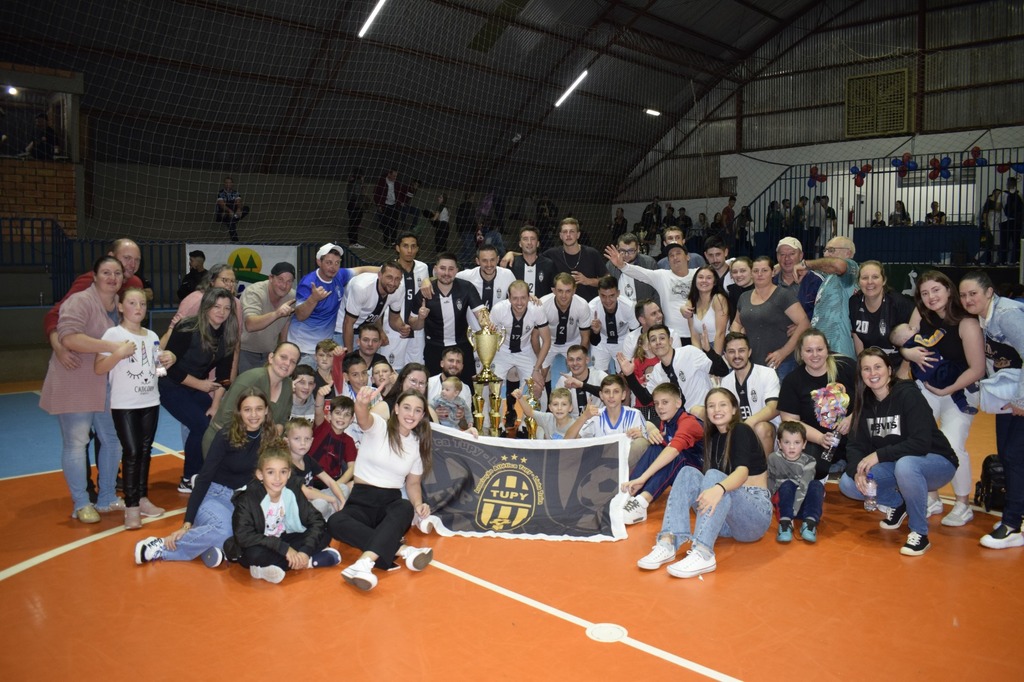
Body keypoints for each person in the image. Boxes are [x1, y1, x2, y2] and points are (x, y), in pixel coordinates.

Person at [636, 388, 771, 578]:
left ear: (734, 409)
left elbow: (742, 473)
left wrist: (719, 487)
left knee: (714, 476)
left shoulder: (741, 430)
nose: (717, 409)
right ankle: (669, 540)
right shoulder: (713, 438)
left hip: (754, 519)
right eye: (711, 405)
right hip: (725, 522)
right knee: (688, 472)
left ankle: (703, 552)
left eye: (722, 404)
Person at [134, 389, 277, 567]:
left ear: (266, 411)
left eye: (258, 409)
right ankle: (161, 547)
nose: (254, 415)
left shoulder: (270, 437)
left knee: (257, 532)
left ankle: (208, 548)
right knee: (225, 530)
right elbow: (204, 478)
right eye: (247, 409)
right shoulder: (226, 436)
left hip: (245, 501)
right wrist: (187, 523)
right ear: (239, 412)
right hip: (216, 496)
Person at [839, 348, 958, 556]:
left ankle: (919, 533)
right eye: (866, 369)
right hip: (899, 464)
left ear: (889, 369)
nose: (872, 373)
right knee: (849, 484)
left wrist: (877, 455)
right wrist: (857, 471)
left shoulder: (907, 393)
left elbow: (920, 443)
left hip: (936, 462)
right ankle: (899, 503)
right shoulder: (864, 402)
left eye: (878, 367)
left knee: (906, 465)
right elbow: (855, 445)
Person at [40, 256, 128, 523]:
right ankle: (80, 503)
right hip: (75, 381)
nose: (112, 278)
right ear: (95, 276)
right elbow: (69, 337)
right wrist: (114, 348)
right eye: (106, 272)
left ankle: (107, 497)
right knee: (77, 443)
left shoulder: (120, 306)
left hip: (105, 383)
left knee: (112, 440)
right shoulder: (79, 301)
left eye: (117, 273)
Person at [328, 386, 435, 591]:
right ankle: (404, 551)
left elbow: (412, 483)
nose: (411, 414)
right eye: (406, 407)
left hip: (390, 502)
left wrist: (419, 504)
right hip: (361, 499)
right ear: (396, 409)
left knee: (405, 507)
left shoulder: (416, 445)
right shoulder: (379, 426)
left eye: (417, 410)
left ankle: (364, 563)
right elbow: (363, 418)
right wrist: (361, 402)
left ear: (422, 416)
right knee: (335, 522)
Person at [900, 271, 985, 526]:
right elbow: (904, 343)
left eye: (936, 290)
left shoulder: (966, 323)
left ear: (949, 291)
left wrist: (947, 390)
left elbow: (977, 369)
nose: (930, 297)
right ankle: (932, 497)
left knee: (952, 443)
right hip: (928, 387)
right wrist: (910, 353)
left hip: (960, 390)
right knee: (918, 438)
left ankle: (962, 503)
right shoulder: (921, 315)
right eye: (925, 293)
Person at [95, 288, 175, 529]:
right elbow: (99, 368)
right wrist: (119, 352)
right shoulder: (113, 333)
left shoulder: (151, 335)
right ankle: (131, 507)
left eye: (142, 303)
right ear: (120, 307)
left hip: (150, 401)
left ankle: (141, 498)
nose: (138, 307)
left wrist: (167, 358)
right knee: (131, 452)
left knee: (144, 450)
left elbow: (157, 367)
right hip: (124, 404)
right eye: (132, 303)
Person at [959, 270, 1024, 549]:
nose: (967, 299)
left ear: (989, 292)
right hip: (1007, 396)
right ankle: (1013, 517)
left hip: (1018, 397)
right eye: (963, 295)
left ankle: (1012, 525)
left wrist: (1022, 400)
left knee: (1014, 457)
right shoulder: (983, 318)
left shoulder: (1007, 314)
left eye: (973, 293)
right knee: (1009, 456)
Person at [160, 287, 240, 493]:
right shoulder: (187, 327)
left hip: (196, 385)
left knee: (216, 422)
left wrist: (215, 405)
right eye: (216, 307)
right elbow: (170, 368)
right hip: (171, 384)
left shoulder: (228, 333)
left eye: (226, 308)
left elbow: (223, 376)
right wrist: (201, 385)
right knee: (200, 425)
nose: (221, 312)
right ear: (206, 307)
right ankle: (189, 478)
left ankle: (212, 470)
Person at [228, 444, 340, 584]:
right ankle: (308, 562)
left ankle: (273, 566)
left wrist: (304, 551)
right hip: (261, 543)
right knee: (252, 554)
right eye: (270, 472)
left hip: (285, 537)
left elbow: (317, 521)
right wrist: (285, 549)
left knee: (325, 533)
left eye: (283, 472)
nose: (277, 478)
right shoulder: (248, 498)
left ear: (289, 474)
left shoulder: (292, 490)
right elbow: (244, 536)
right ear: (260, 475)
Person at [777, 328, 857, 481]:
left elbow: (870, 395)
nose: (815, 355)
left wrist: (853, 417)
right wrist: (820, 438)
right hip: (819, 439)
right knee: (813, 469)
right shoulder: (793, 380)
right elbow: (789, 420)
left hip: (854, 435)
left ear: (828, 349)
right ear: (800, 353)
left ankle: (845, 463)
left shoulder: (846, 366)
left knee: (862, 468)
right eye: (809, 350)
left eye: (819, 349)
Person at [620, 382, 704, 525]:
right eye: (657, 403)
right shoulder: (666, 422)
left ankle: (642, 501)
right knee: (655, 447)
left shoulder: (688, 422)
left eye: (665, 402)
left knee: (674, 455)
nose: (660, 407)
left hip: (700, 480)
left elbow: (673, 450)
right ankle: (628, 495)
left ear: (678, 403)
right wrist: (647, 434)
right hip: (681, 473)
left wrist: (643, 478)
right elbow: (663, 441)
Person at [402, 252, 487, 388]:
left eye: (451, 269)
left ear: (457, 271)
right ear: (435, 269)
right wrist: (421, 318)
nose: (446, 273)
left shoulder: (466, 288)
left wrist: (489, 326)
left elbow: (481, 314)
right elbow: (415, 325)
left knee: (467, 390)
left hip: (462, 346)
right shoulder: (424, 292)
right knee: (434, 391)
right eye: (442, 268)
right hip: (434, 348)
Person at [201, 340, 298, 457]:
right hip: (225, 443)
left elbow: (283, 419)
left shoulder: (288, 385)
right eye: (283, 357)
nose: (287, 363)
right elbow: (228, 417)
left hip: (257, 448)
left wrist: (277, 431)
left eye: (293, 361)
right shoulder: (251, 379)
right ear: (271, 357)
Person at [731, 255, 810, 379]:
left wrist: (783, 352)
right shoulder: (744, 297)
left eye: (764, 270)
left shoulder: (783, 295)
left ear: (773, 272)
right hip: (752, 362)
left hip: (781, 362)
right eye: (756, 271)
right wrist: (735, 345)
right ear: (751, 273)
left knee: (780, 398)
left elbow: (804, 323)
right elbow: (737, 322)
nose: (760, 274)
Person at [605, 242, 694, 340]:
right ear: (668, 260)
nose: (675, 257)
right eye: (671, 255)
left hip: (699, 333)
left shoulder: (699, 275)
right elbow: (640, 273)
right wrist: (622, 265)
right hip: (672, 336)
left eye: (678, 253)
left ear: (688, 257)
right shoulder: (661, 276)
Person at [502, 218, 605, 301]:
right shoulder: (552, 254)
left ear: (578, 234)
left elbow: (608, 280)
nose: (568, 235)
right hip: (564, 307)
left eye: (572, 231)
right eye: (565, 232)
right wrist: (511, 253)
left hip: (589, 304)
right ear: (560, 236)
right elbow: (531, 255)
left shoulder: (592, 253)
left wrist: (588, 281)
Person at [288, 244, 357, 367]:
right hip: (303, 350)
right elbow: (299, 315)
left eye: (337, 263)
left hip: (324, 349)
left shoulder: (339, 276)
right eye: (329, 262)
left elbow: (361, 270)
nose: (333, 267)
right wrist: (313, 299)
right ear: (319, 262)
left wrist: (383, 269)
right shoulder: (309, 283)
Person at [891, 323, 977, 415]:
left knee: (953, 384)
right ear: (905, 339)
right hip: (941, 371)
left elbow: (916, 371)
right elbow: (930, 341)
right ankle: (968, 385)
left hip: (932, 381)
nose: (914, 327)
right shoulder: (916, 339)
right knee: (959, 368)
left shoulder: (910, 353)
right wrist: (940, 332)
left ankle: (963, 405)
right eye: (910, 328)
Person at [719, 332, 780, 456]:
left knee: (761, 428)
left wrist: (748, 423)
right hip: (741, 433)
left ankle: (767, 473)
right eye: (731, 352)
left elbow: (774, 407)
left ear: (749, 352)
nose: (737, 356)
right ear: (725, 355)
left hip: (769, 432)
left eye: (741, 350)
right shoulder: (725, 382)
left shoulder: (767, 373)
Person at [848, 260, 915, 370]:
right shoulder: (854, 302)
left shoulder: (899, 303)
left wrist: (903, 373)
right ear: (859, 282)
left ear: (884, 281)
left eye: (875, 277)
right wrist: (862, 366)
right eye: (864, 278)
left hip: (898, 365)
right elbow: (857, 336)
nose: (870, 282)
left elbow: (913, 341)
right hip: (872, 366)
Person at [802, 236, 859, 359]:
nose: (826, 254)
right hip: (822, 347)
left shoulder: (850, 268)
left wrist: (805, 264)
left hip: (838, 348)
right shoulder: (829, 277)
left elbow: (838, 265)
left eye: (831, 250)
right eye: (825, 250)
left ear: (848, 253)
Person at [283, 418, 348, 519]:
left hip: (314, 499)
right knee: (321, 504)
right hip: (297, 507)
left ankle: (330, 515)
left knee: (343, 488)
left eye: (307, 439)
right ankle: (330, 516)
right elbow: (306, 493)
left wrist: (343, 501)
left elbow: (330, 482)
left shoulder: (308, 459)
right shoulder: (285, 465)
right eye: (297, 439)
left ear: (312, 440)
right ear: (287, 441)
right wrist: (332, 499)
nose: (303, 443)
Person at [768, 421, 822, 543]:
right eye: (787, 442)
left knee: (817, 485)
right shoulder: (773, 458)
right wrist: (768, 502)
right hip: (783, 506)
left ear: (804, 444)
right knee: (787, 484)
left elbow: (804, 486)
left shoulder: (809, 461)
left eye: (797, 443)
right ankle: (785, 523)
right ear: (779, 443)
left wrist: (794, 511)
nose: (792, 447)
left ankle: (809, 523)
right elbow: (769, 481)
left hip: (801, 504)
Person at [239, 262, 296, 374]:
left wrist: (283, 349)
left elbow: (286, 323)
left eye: (289, 281)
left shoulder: (292, 296)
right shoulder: (254, 292)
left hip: (270, 353)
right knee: (247, 390)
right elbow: (250, 325)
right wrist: (276, 313)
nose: (284, 285)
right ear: (271, 278)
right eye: (280, 279)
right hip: (245, 351)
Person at [539, 273, 591, 386]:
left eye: (568, 291)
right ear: (553, 290)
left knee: (579, 374)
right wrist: (539, 360)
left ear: (574, 291)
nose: (564, 295)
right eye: (560, 291)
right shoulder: (543, 304)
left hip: (573, 342)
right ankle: (547, 402)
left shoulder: (582, 305)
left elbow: (585, 337)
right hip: (548, 342)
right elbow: (535, 334)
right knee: (539, 377)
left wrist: (580, 358)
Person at [340, 263, 404, 352]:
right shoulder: (361, 287)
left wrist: (402, 328)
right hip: (343, 329)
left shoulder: (399, 289)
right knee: (348, 364)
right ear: (379, 275)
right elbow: (348, 323)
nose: (393, 283)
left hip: (368, 330)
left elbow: (393, 319)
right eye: (389, 277)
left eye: (397, 279)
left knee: (374, 365)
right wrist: (349, 355)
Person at [589, 275, 638, 374]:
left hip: (623, 340)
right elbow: (594, 342)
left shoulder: (629, 307)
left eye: (611, 295)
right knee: (599, 376)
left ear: (618, 293)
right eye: (603, 296)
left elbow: (635, 334)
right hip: (601, 341)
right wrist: (595, 332)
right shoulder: (591, 308)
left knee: (625, 375)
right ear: (598, 293)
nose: (607, 301)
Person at [311, 396, 359, 490]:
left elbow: (352, 468)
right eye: (338, 413)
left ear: (351, 419)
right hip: (312, 480)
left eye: (346, 415)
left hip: (334, 482)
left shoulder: (348, 441)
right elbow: (318, 411)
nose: (342, 417)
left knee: (355, 485)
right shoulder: (322, 426)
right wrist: (320, 395)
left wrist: (336, 485)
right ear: (329, 415)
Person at [774, 236, 823, 322]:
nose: (787, 258)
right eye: (782, 254)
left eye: (792, 254)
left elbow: (823, 312)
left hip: (808, 333)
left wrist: (804, 326)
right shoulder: (770, 281)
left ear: (801, 256)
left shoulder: (816, 281)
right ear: (777, 257)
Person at [682, 265, 729, 355]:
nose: (704, 281)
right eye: (700, 277)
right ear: (695, 280)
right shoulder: (691, 302)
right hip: (703, 349)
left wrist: (715, 360)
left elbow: (720, 333)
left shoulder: (718, 299)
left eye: (708, 278)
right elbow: (694, 335)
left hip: (722, 347)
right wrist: (699, 358)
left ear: (714, 282)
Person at [457, 244, 516, 311]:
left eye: (492, 260)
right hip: (472, 321)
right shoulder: (466, 276)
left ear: (497, 259)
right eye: (484, 260)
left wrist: (512, 253)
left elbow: (518, 295)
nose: (489, 264)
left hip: (498, 321)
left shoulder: (507, 275)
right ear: (477, 261)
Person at [605, 233, 659, 305]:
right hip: (620, 309)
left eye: (631, 251)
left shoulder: (649, 263)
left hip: (644, 310)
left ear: (638, 248)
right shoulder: (610, 265)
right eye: (622, 251)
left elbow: (658, 290)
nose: (626, 255)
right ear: (617, 248)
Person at [556, 344, 607, 417]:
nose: (575, 363)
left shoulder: (600, 376)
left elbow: (609, 394)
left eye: (579, 359)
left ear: (587, 360)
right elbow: (556, 407)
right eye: (571, 360)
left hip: (597, 419)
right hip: (574, 423)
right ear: (567, 362)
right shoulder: (563, 381)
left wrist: (582, 385)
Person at [507, 225, 557, 298]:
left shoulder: (549, 264)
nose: (529, 242)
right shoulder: (512, 264)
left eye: (533, 239)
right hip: (517, 308)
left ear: (538, 243)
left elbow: (555, 290)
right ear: (520, 244)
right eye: (525, 239)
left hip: (542, 308)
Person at [215, 177, 249, 242]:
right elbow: (222, 205)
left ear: (232, 184)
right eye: (226, 183)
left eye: (230, 183)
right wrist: (229, 211)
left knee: (246, 208)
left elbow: (238, 201)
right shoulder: (221, 193)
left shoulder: (236, 193)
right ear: (224, 184)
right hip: (224, 213)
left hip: (233, 212)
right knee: (229, 218)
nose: (228, 184)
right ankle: (235, 240)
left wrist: (239, 209)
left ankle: (234, 217)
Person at [374, 168, 402, 246]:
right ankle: (386, 242)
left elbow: (400, 194)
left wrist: (399, 203)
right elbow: (376, 194)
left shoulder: (397, 184)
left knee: (394, 224)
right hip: (385, 206)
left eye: (396, 176)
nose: (395, 178)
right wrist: (379, 205)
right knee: (385, 224)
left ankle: (393, 241)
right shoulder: (381, 182)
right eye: (393, 176)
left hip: (394, 205)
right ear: (389, 174)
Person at [1001, 177, 1023, 265]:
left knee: (1004, 242)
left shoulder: (1003, 194)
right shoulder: (1020, 194)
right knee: (1016, 242)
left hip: (1005, 220)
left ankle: (1003, 260)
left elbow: (1000, 207)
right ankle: (1015, 260)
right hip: (1016, 221)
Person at [725, 256, 753, 325]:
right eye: (734, 272)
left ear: (752, 271)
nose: (738, 275)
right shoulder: (732, 291)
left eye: (743, 271)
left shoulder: (761, 290)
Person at [347, 168, 366, 248]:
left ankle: (352, 242)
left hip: (351, 204)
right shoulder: (357, 183)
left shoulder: (351, 182)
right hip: (355, 205)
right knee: (354, 224)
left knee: (352, 223)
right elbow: (357, 195)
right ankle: (353, 242)